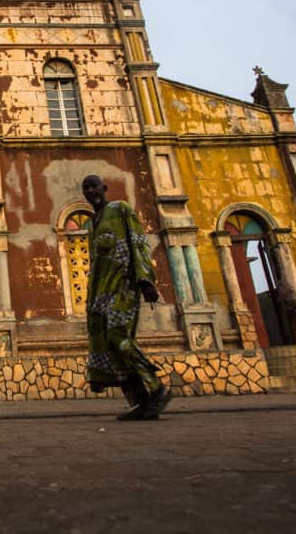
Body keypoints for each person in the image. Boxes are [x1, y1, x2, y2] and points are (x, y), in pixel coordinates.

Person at [81, 174, 171, 420]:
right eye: (86, 189)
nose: (91, 191)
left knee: (120, 336)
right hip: (102, 294)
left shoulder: (120, 209)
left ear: (104, 188)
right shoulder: (94, 224)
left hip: (124, 286)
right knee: (111, 343)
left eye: (94, 186)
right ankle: (141, 402)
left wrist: (145, 280)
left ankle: (156, 387)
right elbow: (96, 264)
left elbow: (138, 241)